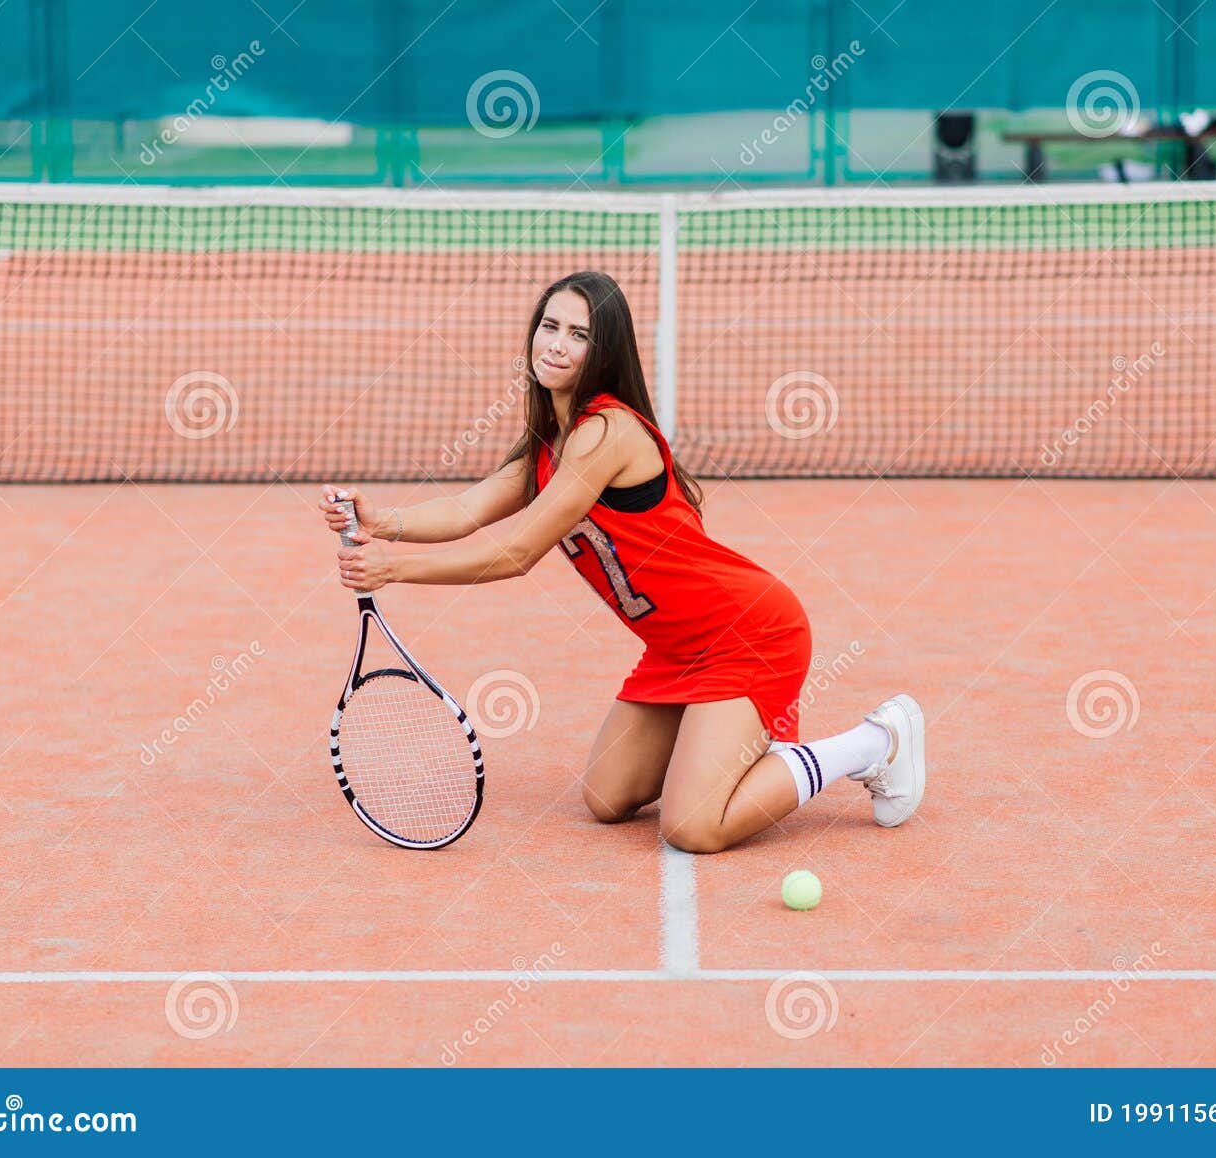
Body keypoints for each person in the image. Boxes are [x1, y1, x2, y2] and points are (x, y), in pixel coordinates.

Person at [321, 270, 924, 853]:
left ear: (603, 352)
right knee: (607, 799)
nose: (556, 345)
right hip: (676, 647)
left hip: (749, 633)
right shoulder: (549, 443)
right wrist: (382, 523)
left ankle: (872, 743)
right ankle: (726, 750)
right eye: (549, 326)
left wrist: (394, 571)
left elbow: (518, 552)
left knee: (692, 828)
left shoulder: (606, 432)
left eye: (578, 335)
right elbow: (467, 508)